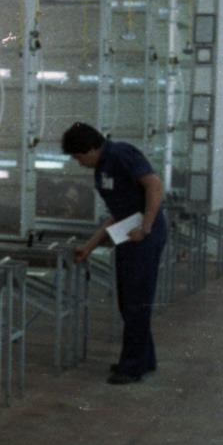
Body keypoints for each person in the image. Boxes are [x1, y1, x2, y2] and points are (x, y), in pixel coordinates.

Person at [62, 122, 167, 385]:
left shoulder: (121, 155)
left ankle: (132, 367)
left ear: (91, 148)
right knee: (129, 300)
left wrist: (146, 226)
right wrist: (90, 246)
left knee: (135, 300)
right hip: (128, 231)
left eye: (79, 157)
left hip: (143, 234)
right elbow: (117, 214)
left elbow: (154, 185)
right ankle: (143, 358)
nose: (79, 163)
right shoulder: (103, 166)